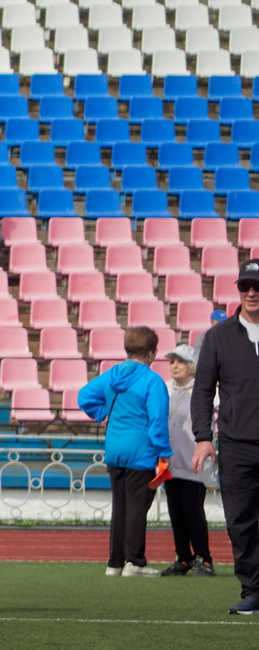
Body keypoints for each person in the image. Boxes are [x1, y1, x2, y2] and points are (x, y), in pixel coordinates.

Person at [189, 262, 259, 615]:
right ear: (238, 290)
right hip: (236, 444)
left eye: (257, 286)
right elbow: (201, 391)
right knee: (240, 521)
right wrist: (203, 437)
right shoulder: (218, 337)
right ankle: (254, 590)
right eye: (245, 286)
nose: (252, 292)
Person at [78, 326, 172, 577]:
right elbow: (157, 418)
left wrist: (102, 414)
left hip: (115, 448)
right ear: (152, 352)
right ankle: (136, 562)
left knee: (120, 507)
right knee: (137, 508)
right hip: (141, 450)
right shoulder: (152, 380)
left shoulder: (113, 374)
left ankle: (115, 562)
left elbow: (84, 396)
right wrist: (164, 451)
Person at [159, 343, 218, 577]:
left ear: (192, 365)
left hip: (194, 461)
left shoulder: (203, 391)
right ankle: (183, 557)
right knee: (176, 512)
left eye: (180, 361)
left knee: (194, 512)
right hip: (171, 463)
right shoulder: (165, 389)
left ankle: (205, 558)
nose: (174, 365)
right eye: (172, 361)